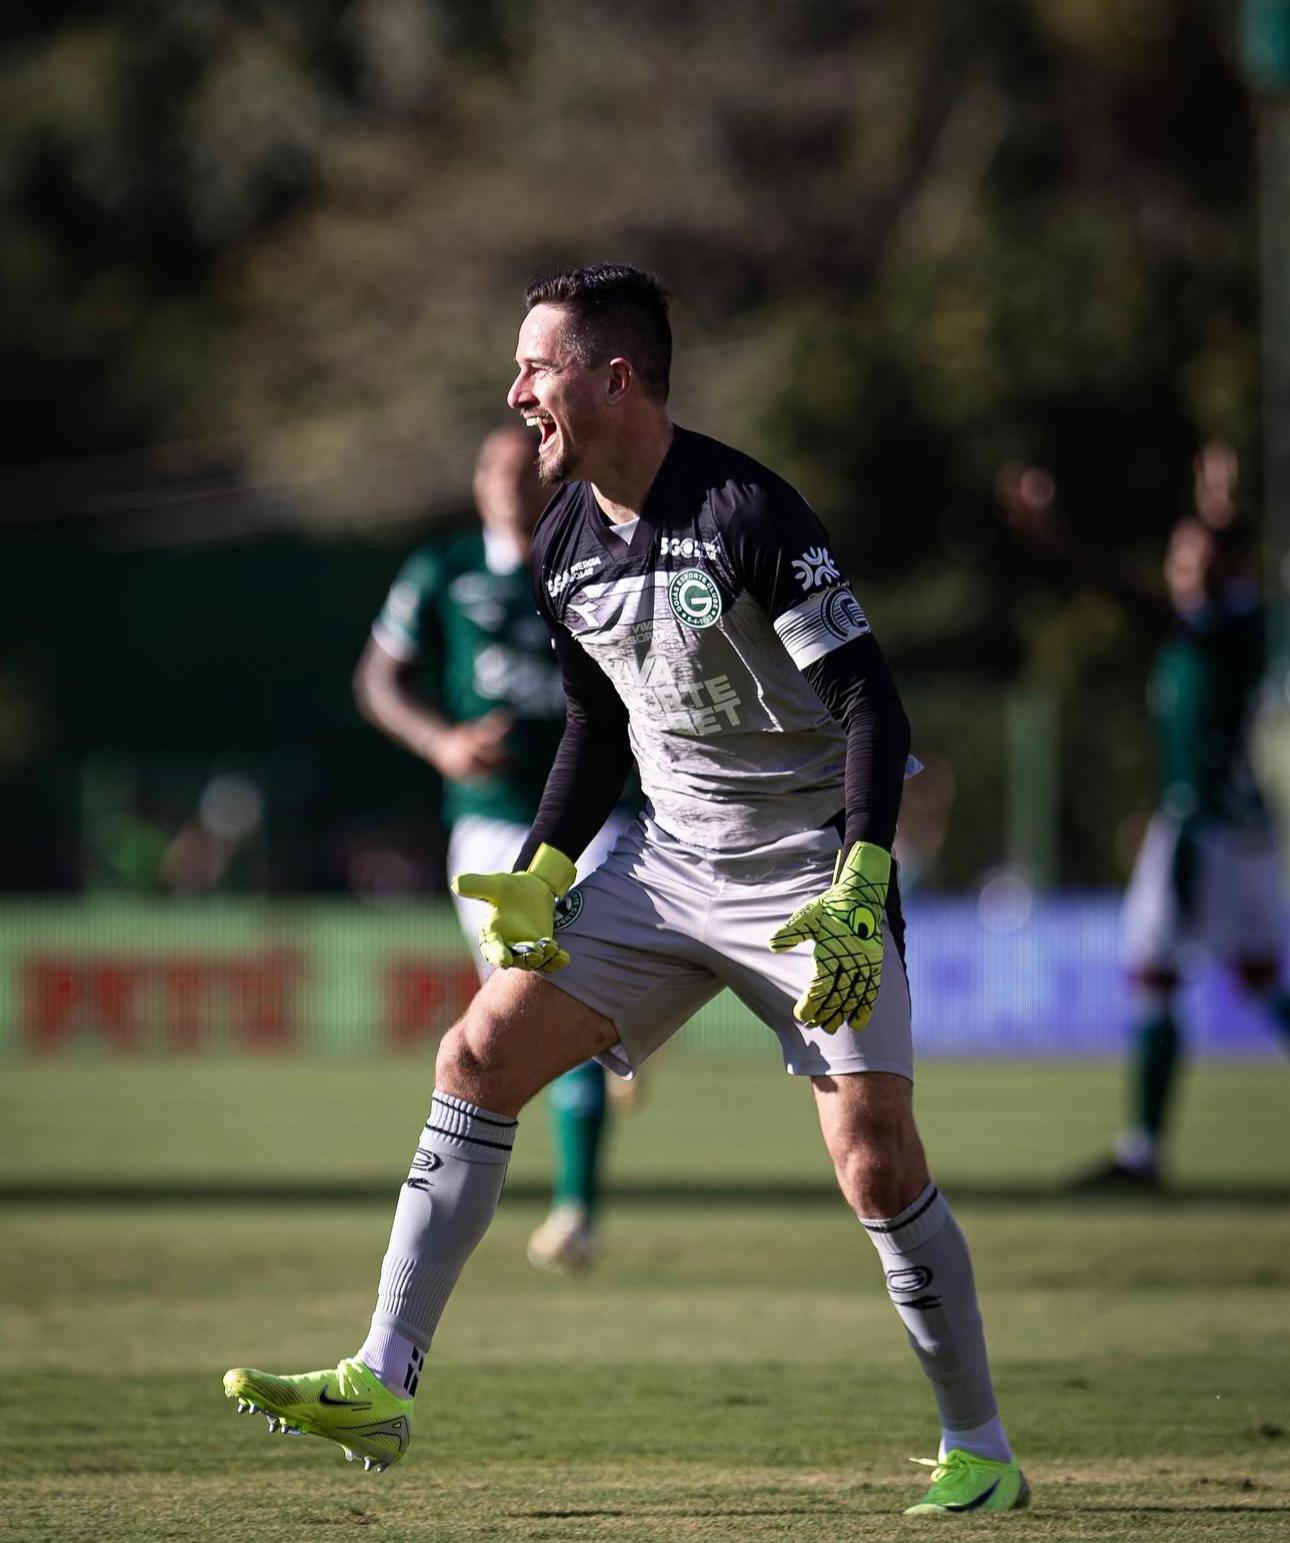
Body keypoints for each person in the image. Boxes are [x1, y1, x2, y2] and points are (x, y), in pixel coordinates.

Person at [224, 264, 1028, 1516]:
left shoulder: (750, 509)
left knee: (874, 1164)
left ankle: (979, 1446)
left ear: (614, 377)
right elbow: (598, 728)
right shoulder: (560, 539)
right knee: (478, 1054)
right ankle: (382, 1380)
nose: (514, 393)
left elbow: (873, 699)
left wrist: (866, 873)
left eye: (534, 369)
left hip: (808, 868)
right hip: (664, 864)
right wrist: (546, 869)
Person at [353, 425, 630, 1271]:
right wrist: (441, 743)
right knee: (529, 1005)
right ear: (477, 482)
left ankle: (576, 1210)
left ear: (551, 480)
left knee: (552, 996)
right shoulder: (442, 570)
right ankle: (615, 1061)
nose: (509, 482)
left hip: (594, 816)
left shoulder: (596, 560)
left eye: (524, 468)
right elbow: (378, 679)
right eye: (494, 468)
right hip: (490, 821)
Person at [996, 449, 1290, 1191]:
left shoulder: (1231, 628)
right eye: (1178, 553)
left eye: (1194, 555)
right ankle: (1143, 1150)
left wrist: (1056, 536)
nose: (1179, 565)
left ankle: (1143, 1152)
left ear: (1230, 564)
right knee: (1258, 978)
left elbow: (1129, 594)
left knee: (1154, 972)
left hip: (1205, 831)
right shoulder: (1216, 626)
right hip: (1234, 826)